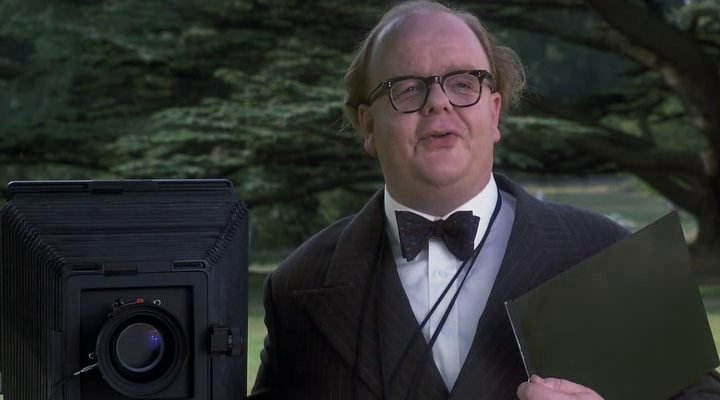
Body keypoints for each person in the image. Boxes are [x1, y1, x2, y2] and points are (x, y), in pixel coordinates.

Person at [249, 1, 720, 399]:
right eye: (407, 88)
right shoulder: (298, 285)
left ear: (494, 113)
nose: (439, 102)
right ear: (368, 125)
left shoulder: (608, 253)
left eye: (463, 83)